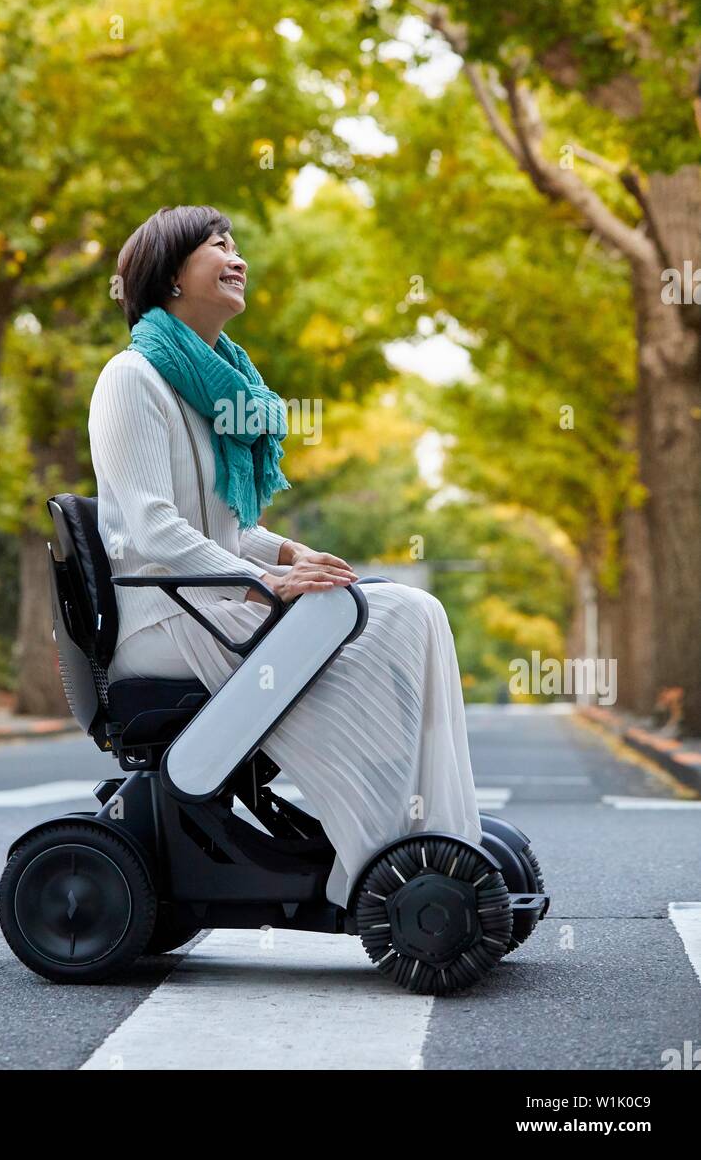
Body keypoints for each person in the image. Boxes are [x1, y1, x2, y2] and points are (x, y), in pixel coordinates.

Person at [88, 204, 482, 908]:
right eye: (216, 246)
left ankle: (427, 831)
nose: (236, 257)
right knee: (383, 618)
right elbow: (154, 529)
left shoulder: (210, 383)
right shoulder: (132, 379)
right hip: (167, 622)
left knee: (413, 609)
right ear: (171, 275)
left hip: (207, 600)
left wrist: (290, 551)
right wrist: (268, 581)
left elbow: (225, 529)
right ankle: (376, 852)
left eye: (234, 244)